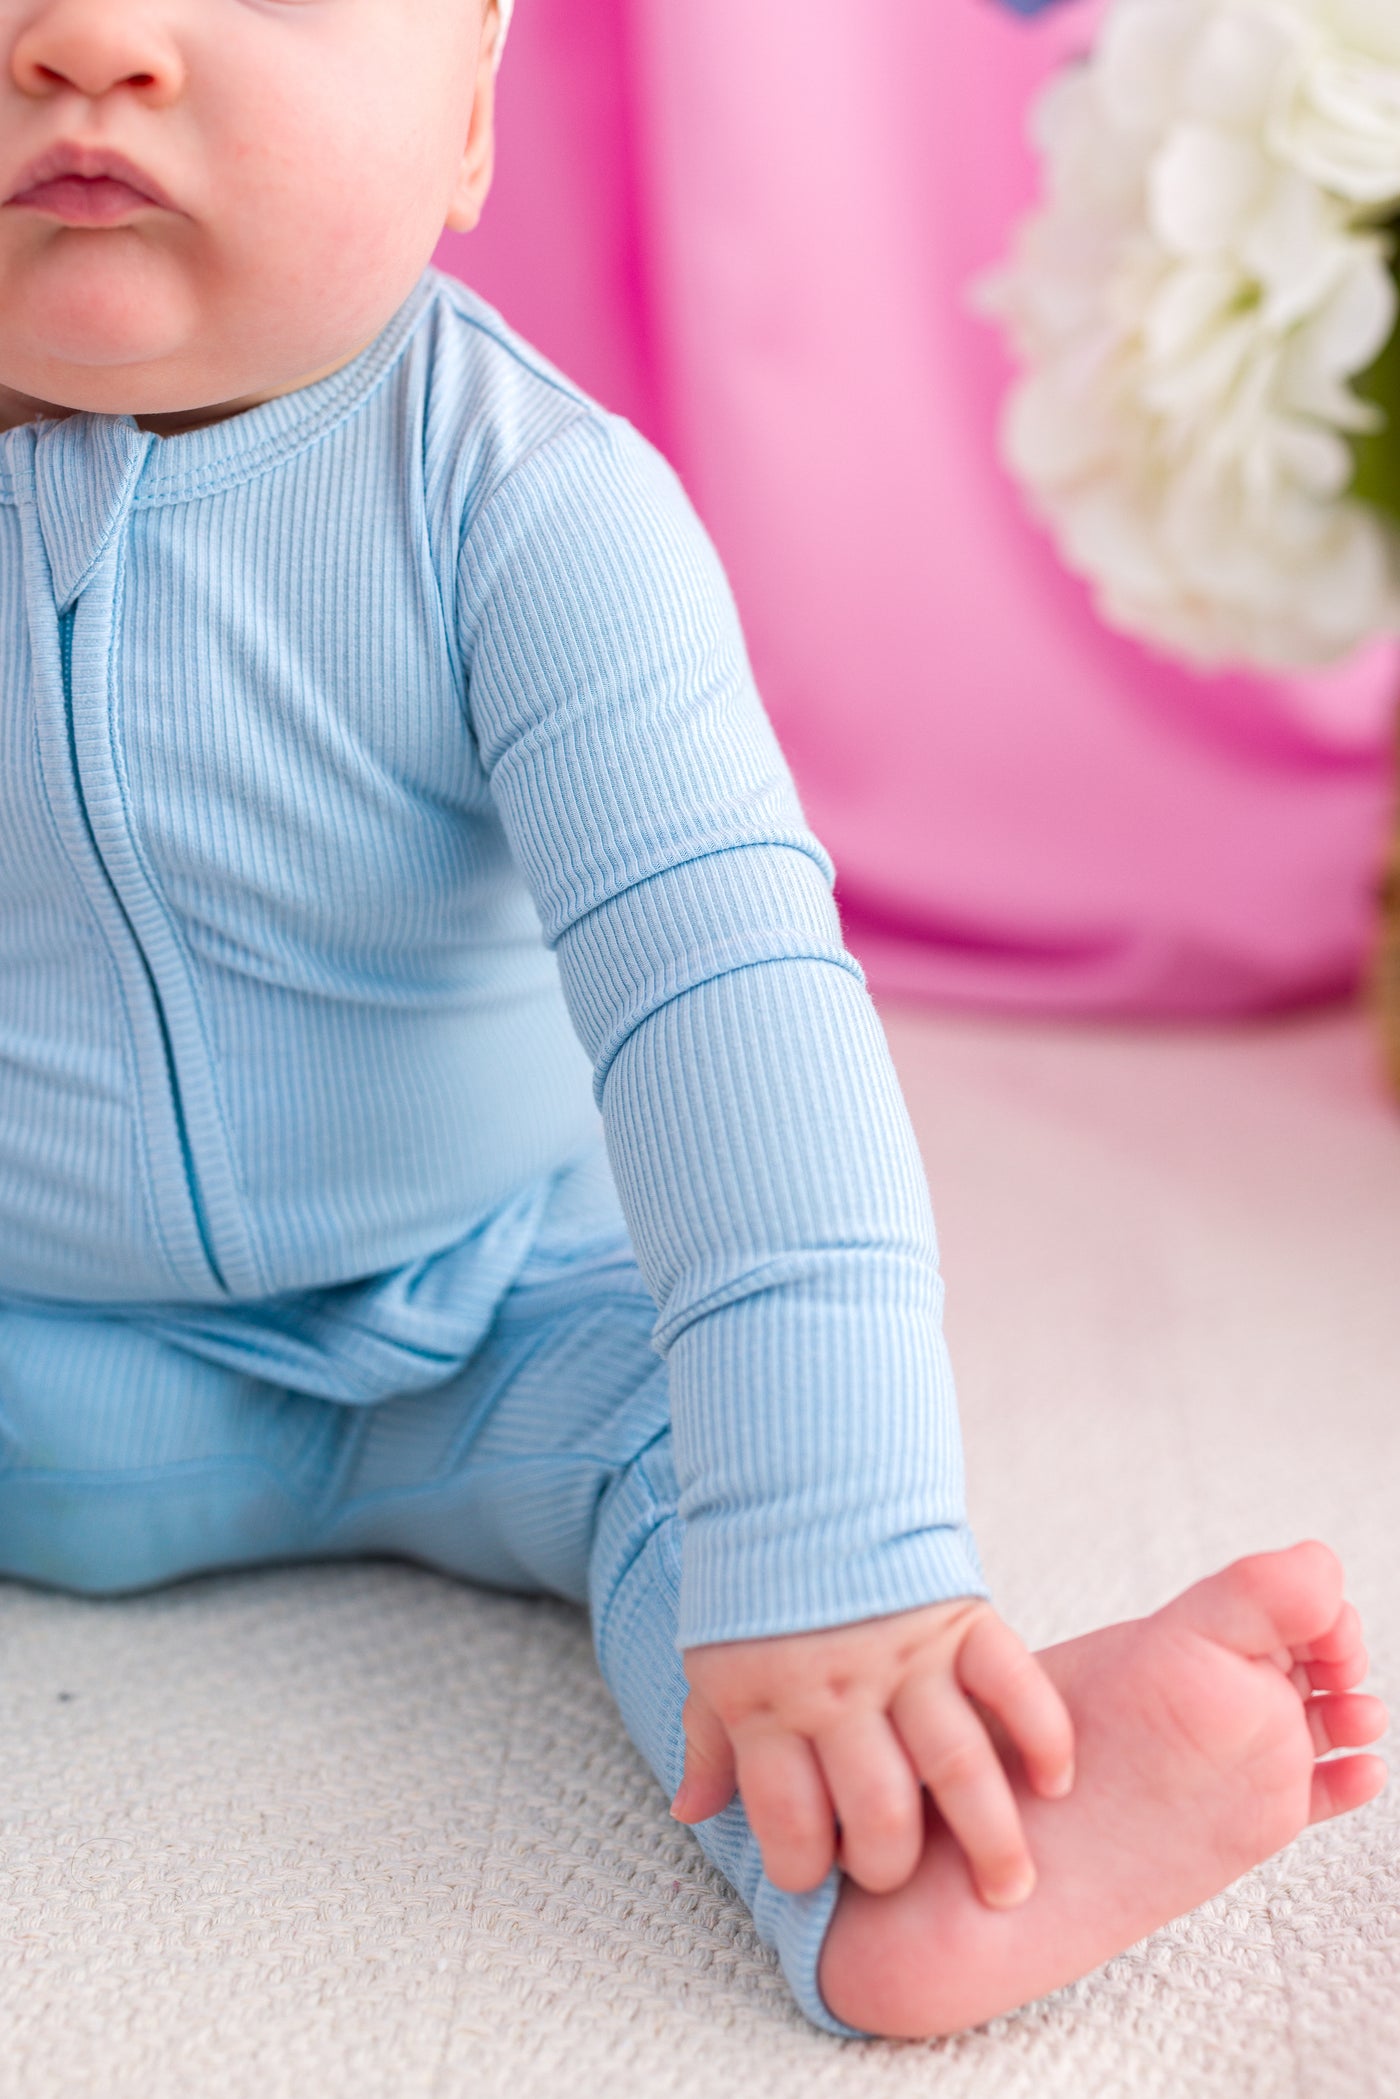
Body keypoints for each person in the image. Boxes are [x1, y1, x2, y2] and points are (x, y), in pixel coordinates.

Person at [0, 0, 1385, 2041]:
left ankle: (908, 1851)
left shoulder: (529, 509)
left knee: (711, 1475)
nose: (94, 38)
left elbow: (720, 1001)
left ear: (469, 116)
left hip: (489, 1326)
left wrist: (841, 1553)